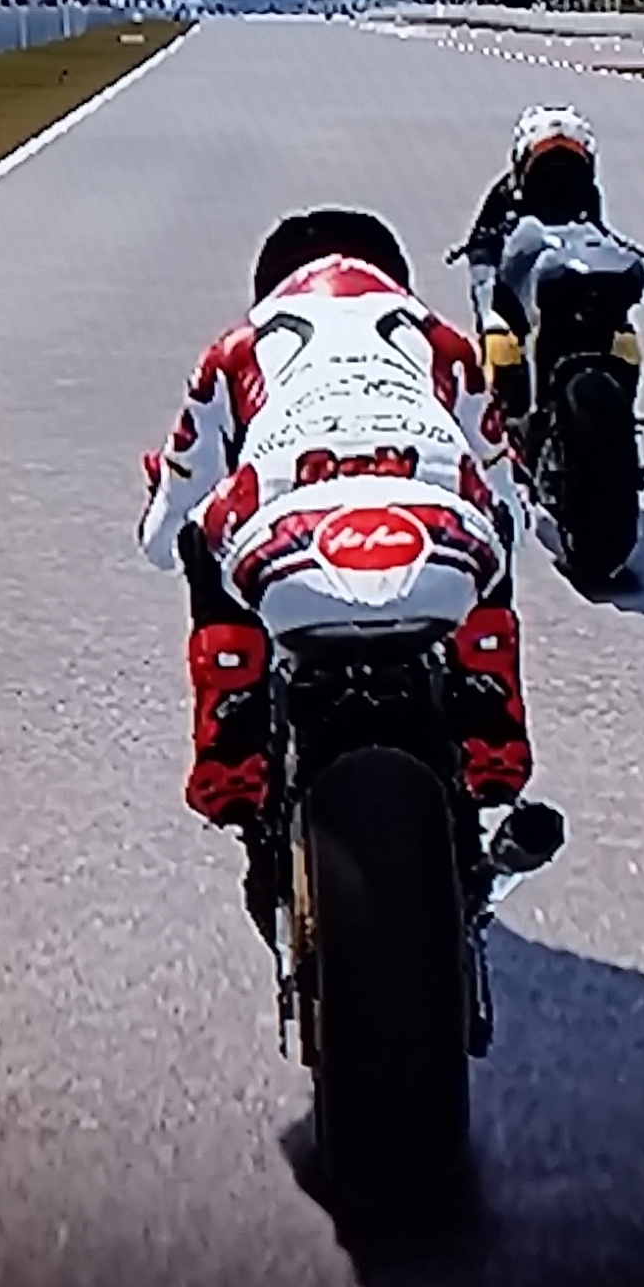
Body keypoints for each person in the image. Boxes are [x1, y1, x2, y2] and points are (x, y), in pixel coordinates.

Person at [137, 206, 539, 948]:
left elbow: (166, 528)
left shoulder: (236, 347)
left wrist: (164, 521)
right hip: (433, 506)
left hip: (288, 510)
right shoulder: (442, 339)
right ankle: (490, 699)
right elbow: (509, 492)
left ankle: (232, 725)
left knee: (201, 537)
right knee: (495, 524)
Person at [450, 105, 606, 431]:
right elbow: (481, 254)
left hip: (567, 279)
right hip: (518, 285)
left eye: (570, 163)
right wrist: (489, 306)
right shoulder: (504, 194)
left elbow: (596, 236)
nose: (558, 177)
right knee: (500, 343)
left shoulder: (589, 195)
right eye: (548, 163)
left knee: (622, 337)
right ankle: (501, 420)